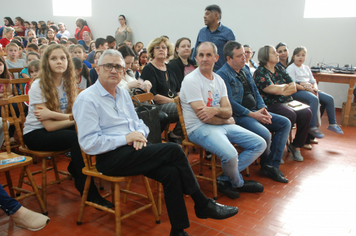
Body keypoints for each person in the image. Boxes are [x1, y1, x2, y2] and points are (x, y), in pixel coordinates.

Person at [72, 49, 238, 236]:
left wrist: (139, 135)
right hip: (110, 158)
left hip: (134, 149)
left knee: (171, 173)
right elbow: (88, 144)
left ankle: (178, 230)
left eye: (118, 66)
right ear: (98, 69)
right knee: (174, 150)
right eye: (108, 66)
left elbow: (139, 123)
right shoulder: (87, 99)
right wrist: (126, 138)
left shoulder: (123, 93)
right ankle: (202, 203)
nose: (114, 70)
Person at [180, 42, 266, 199]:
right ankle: (238, 183)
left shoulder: (219, 80)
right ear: (196, 58)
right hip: (198, 128)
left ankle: (224, 179)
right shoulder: (191, 80)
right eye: (201, 55)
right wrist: (225, 119)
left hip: (217, 124)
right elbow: (204, 117)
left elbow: (228, 110)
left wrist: (215, 110)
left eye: (208, 55)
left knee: (260, 143)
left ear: (216, 57)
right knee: (231, 154)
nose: (204, 59)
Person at [217, 41, 290, 183]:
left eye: (244, 54)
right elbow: (230, 102)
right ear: (228, 59)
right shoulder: (222, 75)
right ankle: (265, 165)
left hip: (256, 111)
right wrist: (253, 115)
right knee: (264, 134)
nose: (244, 58)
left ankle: (270, 165)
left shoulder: (245, 70)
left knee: (285, 123)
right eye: (239, 56)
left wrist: (264, 109)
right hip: (240, 115)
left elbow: (255, 91)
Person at [254, 45, 312, 162]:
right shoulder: (260, 71)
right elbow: (271, 90)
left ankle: (296, 146)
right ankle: (276, 149)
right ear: (265, 56)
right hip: (270, 104)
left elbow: (294, 87)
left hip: (287, 101)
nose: (277, 54)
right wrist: (284, 87)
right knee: (290, 114)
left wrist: (280, 88)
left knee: (307, 112)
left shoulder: (279, 69)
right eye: (273, 53)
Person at [286, 46, 343, 136]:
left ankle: (332, 123)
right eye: (298, 55)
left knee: (329, 99)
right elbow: (292, 84)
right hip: (298, 91)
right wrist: (306, 88)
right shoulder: (291, 68)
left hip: (310, 89)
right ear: (293, 57)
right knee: (314, 99)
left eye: (303, 55)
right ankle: (312, 126)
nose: (300, 57)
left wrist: (315, 88)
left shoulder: (306, 68)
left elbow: (313, 81)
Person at [141, 36, 182, 143]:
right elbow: (153, 96)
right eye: (157, 47)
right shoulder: (148, 68)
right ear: (152, 51)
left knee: (192, 106)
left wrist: (181, 98)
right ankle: (175, 135)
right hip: (158, 105)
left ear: (168, 51)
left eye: (164, 47)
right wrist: (174, 101)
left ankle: (176, 133)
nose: (161, 50)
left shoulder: (170, 68)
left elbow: (177, 89)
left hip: (174, 102)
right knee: (184, 109)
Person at [192, 5, 235, 72]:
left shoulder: (227, 33)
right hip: (203, 72)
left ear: (216, 15)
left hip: (222, 73)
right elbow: (195, 54)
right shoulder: (202, 32)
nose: (204, 16)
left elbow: (233, 55)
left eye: (207, 14)